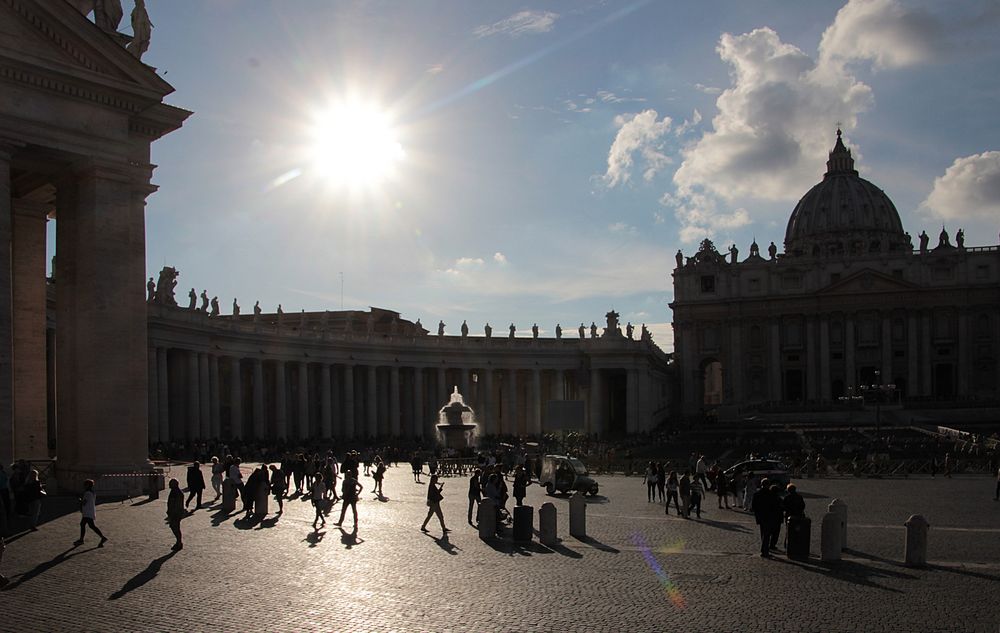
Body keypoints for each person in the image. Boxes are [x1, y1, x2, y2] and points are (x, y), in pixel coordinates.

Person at [752, 478, 780, 558]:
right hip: (769, 516)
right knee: (767, 534)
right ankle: (764, 551)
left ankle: (764, 549)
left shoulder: (757, 494)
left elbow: (754, 506)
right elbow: (775, 506)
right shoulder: (771, 494)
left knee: (763, 533)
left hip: (761, 516)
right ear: (768, 485)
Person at [75, 479, 107, 547]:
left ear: (87, 485)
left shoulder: (87, 493)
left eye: (85, 485)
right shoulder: (93, 492)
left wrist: (80, 500)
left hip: (87, 512)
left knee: (84, 524)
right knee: (90, 525)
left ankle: (82, 540)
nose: (84, 486)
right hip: (90, 511)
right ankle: (102, 537)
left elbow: (84, 503)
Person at [166, 479, 185, 551]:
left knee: (175, 527)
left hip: (176, 513)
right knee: (174, 527)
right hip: (176, 513)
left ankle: (179, 542)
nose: (169, 485)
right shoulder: (175, 491)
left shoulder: (176, 493)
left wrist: (172, 513)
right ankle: (178, 542)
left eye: (171, 484)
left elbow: (175, 504)